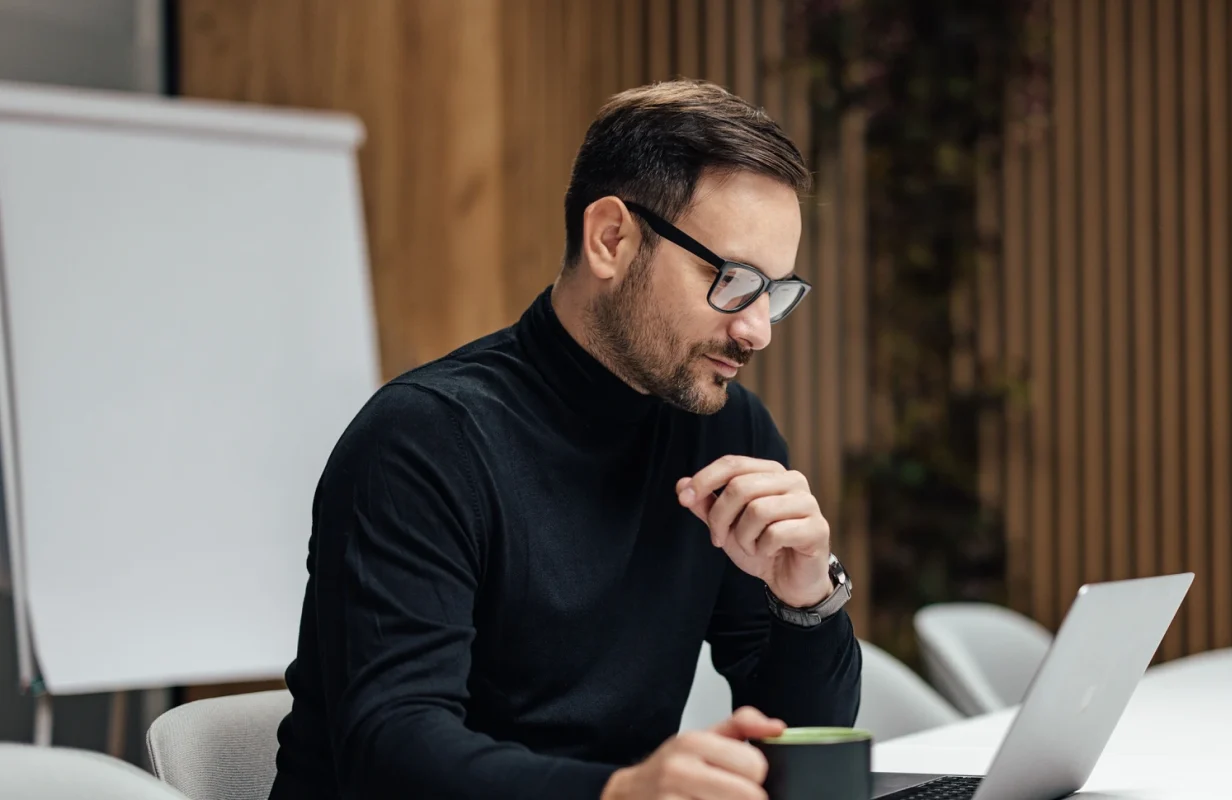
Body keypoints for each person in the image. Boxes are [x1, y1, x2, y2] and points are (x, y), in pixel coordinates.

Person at [268, 79, 863, 800]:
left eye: (774, 291)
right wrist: (619, 793)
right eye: (733, 279)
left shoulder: (726, 429)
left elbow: (798, 750)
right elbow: (393, 752)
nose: (756, 328)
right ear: (610, 239)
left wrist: (805, 602)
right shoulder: (423, 441)